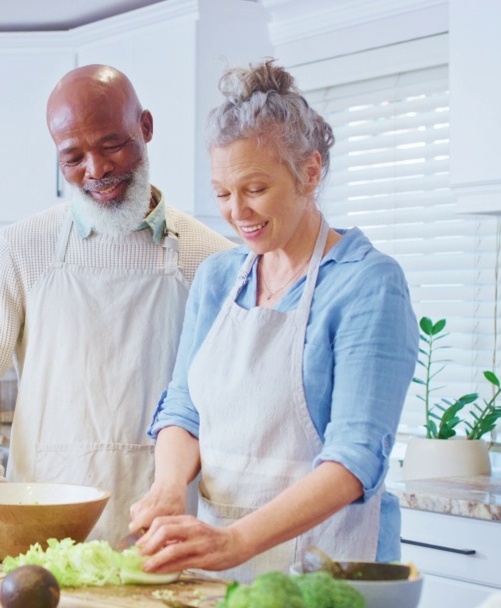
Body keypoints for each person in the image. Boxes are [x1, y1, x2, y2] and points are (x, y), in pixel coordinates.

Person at [129, 60, 418, 581]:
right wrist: (169, 487)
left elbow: (354, 461)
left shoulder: (367, 284)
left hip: (328, 573)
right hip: (221, 570)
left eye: (255, 189)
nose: (237, 211)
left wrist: (237, 541)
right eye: (222, 193)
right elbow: (184, 408)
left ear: (310, 171)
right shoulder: (219, 278)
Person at [0, 65, 232, 542]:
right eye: (72, 157)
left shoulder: (212, 259)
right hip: (37, 539)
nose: (97, 170)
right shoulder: (21, 248)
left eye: (112, 145)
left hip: (168, 538)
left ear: (145, 128)